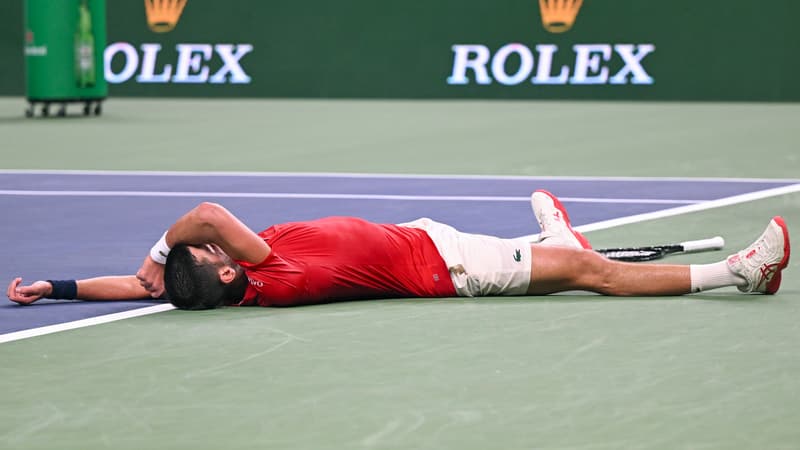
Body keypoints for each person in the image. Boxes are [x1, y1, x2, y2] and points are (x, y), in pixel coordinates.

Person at [6, 190, 791, 309]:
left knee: (562, 261)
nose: (212, 243)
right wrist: (158, 249)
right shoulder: (266, 266)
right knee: (592, 273)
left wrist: (59, 286)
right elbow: (202, 214)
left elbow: (145, 290)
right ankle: (737, 273)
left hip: (428, 243)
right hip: (452, 268)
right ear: (227, 266)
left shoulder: (236, 281)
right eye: (210, 252)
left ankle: (555, 240)